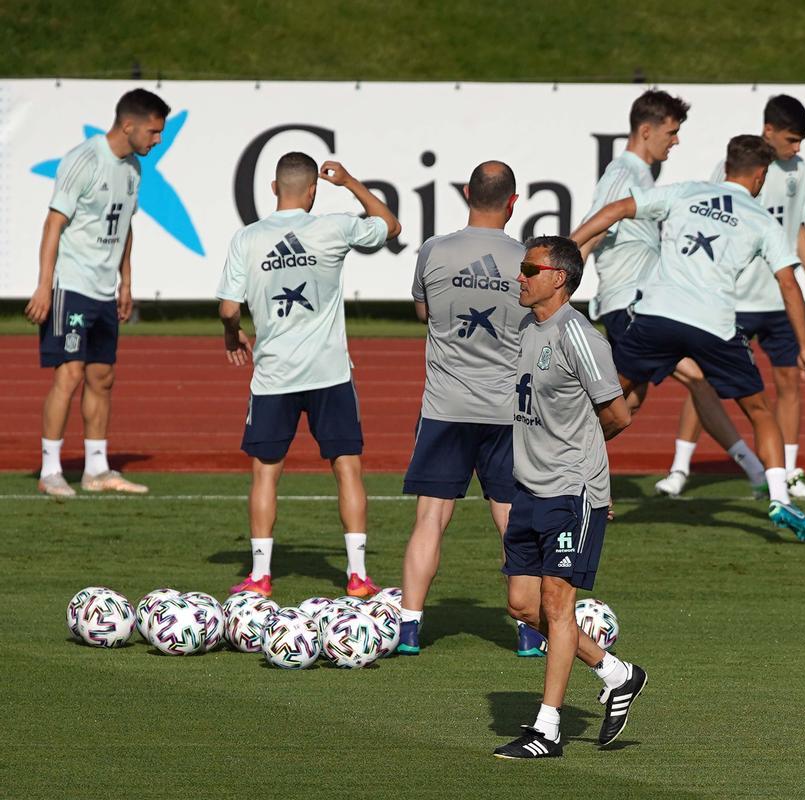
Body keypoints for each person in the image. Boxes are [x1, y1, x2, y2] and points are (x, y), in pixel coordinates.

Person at [572, 135, 805, 543]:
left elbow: (617, 208)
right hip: (714, 325)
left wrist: (572, 245)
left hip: (657, 315)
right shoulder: (761, 220)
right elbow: (789, 285)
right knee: (759, 410)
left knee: (614, 395)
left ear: (727, 167)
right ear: (760, 176)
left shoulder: (687, 191)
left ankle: (562, 463)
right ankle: (779, 498)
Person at [216, 153, 401, 598]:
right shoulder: (334, 227)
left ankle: (260, 576)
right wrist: (352, 181)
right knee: (347, 468)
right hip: (330, 372)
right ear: (313, 191)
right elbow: (390, 226)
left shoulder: (248, 238)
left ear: (274, 188)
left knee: (265, 474)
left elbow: (227, 307)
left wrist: (232, 333)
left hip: (274, 375)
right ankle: (357, 575)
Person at [494, 236, 645, 759]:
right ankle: (615, 671)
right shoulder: (525, 328)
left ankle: (547, 730)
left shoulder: (579, 335)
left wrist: (581, 460)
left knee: (558, 607)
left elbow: (618, 414)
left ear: (558, 277)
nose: (521, 276)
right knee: (521, 605)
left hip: (571, 490)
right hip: (529, 488)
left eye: (530, 269)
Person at [578, 89, 768, 495]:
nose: (677, 140)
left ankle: (566, 466)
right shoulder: (622, 175)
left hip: (641, 301)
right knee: (692, 378)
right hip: (629, 302)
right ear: (646, 131)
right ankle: (755, 470)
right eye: (672, 132)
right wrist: (554, 274)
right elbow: (593, 229)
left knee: (625, 407)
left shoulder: (644, 176)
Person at [397, 161, 544, 656]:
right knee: (510, 518)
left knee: (430, 519)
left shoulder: (435, 250)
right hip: (506, 409)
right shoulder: (528, 259)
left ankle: (410, 628)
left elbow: (424, 312)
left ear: (466, 193)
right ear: (513, 201)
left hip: (445, 405)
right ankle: (528, 629)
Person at [656, 94, 805, 499]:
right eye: (791, 139)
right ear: (768, 131)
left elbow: (797, 227)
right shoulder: (731, 171)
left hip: (778, 300)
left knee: (788, 381)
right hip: (735, 299)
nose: (797, 148)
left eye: (801, 141)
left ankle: (786, 471)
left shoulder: (798, 170)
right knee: (705, 382)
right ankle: (680, 468)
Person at [25, 89, 170, 497]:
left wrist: (126, 282)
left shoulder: (133, 171)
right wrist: (43, 285)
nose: (156, 140)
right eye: (154, 132)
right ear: (130, 126)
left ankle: (96, 470)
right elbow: (53, 223)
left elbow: (125, 227)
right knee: (69, 374)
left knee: (102, 378)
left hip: (105, 291)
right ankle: (51, 470)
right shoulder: (83, 161)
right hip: (71, 285)